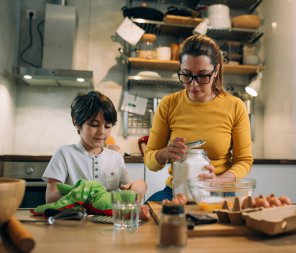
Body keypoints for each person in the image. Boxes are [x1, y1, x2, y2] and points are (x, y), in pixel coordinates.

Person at [144, 34, 253, 201]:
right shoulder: (168, 104)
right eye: (186, 75)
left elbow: (244, 161)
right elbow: (150, 160)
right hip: (177, 192)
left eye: (202, 76)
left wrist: (219, 181)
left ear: (216, 71)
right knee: (149, 213)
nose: (193, 84)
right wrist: (165, 153)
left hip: (219, 191)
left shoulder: (235, 106)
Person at [43, 91, 146, 203]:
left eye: (107, 126)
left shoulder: (116, 158)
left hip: (107, 219)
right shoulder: (64, 154)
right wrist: (87, 195)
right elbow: (51, 197)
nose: (102, 132)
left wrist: (139, 186)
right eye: (94, 125)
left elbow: (128, 191)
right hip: (74, 218)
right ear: (76, 121)